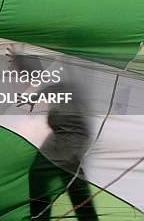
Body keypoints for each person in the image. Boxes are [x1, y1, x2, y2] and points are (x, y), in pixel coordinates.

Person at [6, 45, 99, 220]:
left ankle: (40, 217)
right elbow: (46, 85)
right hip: (64, 134)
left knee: (45, 174)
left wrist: (20, 60)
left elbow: (44, 79)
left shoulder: (75, 69)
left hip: (71, 135)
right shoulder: (69, 73)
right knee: (72, 183)